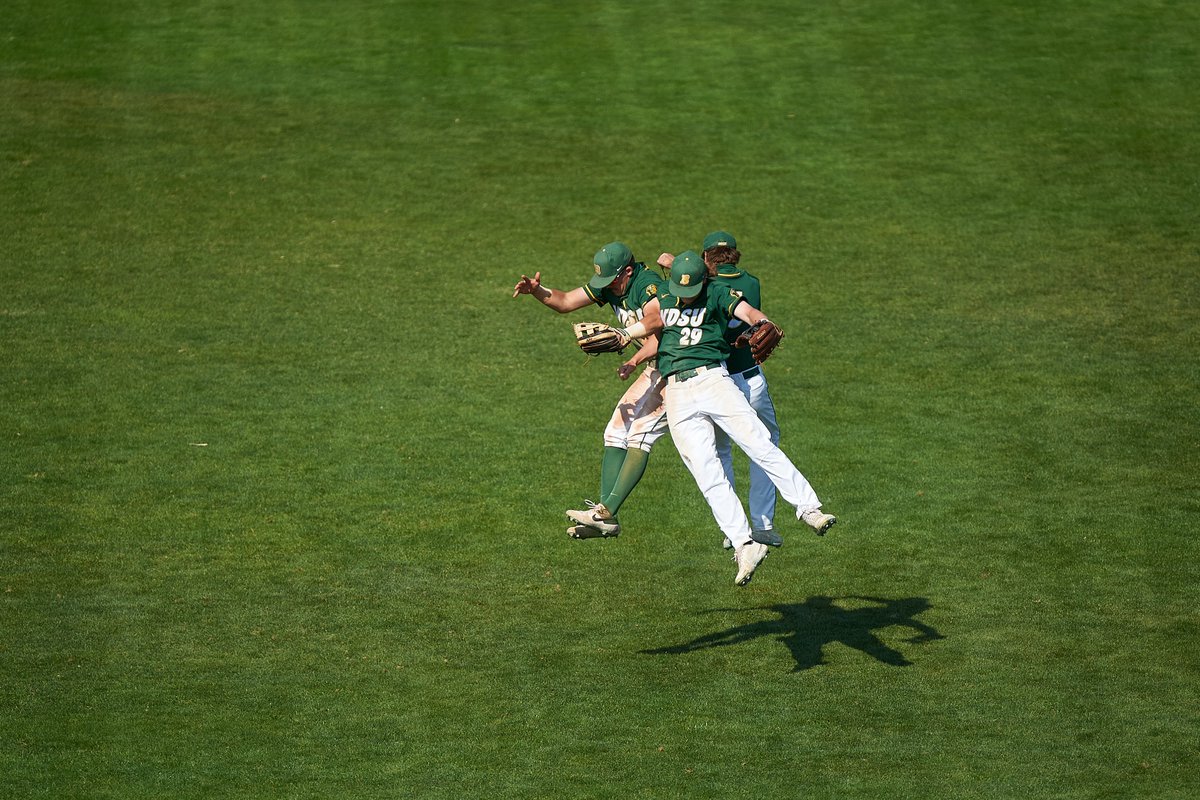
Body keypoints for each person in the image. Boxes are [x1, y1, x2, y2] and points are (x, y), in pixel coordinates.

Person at [610, 251, 837, 586]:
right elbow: (654, 322)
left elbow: (749, 313)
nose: (685, 297)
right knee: (706, 470)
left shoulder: (717, 292)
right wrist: (626, 334)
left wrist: (763, 322)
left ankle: (808, 508)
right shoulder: (669, 292)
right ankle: (744, 544)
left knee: (758, 443)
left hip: (714, 380)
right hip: (676, 392)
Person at [512, 242, 667, 539]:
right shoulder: (612, 286)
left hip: (677, 367)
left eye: (611, 280)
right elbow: (567, 301)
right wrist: (537, 292)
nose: (606, 286)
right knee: (615, 431)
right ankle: (606, 517)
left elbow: (658, 324)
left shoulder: (648, 285)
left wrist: (630, 349)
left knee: (640, 435)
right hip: (654, 367)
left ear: (628, 272)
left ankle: (606, 511)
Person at [660, 231, 784, 551]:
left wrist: (675, 265)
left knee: (719, 455)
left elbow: (698, 285)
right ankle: (763, 524)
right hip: (750, 379)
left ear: (705, 259)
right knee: (765, 447)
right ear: (735, 255)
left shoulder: (706, 288)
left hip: (715, 383)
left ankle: (734, 531)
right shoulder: (752, 284)